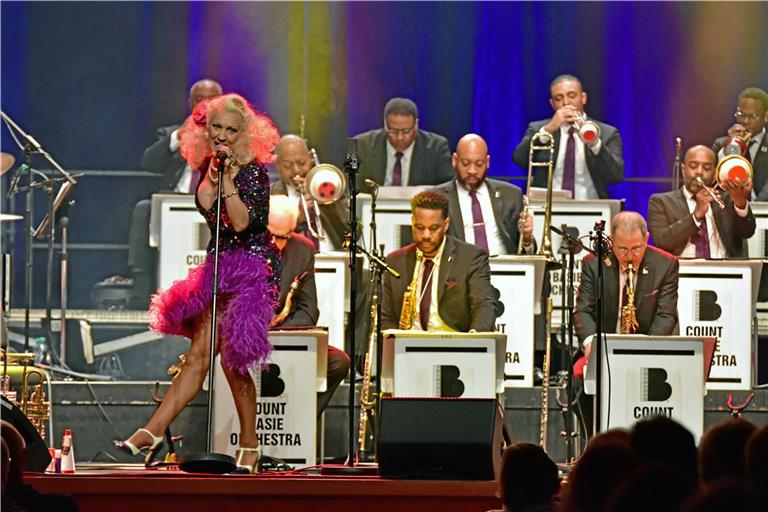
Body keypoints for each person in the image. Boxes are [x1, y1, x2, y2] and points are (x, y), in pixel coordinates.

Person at [114, 93, 281, 474]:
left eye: (231, 130)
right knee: (198, 357)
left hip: (253, 268)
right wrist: (217, 173)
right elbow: (206, 204)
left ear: (245, 134)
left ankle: (250, 446)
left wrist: (229, 180)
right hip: (220, 265)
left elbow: (241, 223)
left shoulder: (254, 172)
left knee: (234, 362)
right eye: (216, 127)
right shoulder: (211, 165)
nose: (221, 135)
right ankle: (153, 431)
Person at [572, 211, 679, 436]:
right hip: (604, 350)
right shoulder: (593, 263)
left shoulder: (666, 264)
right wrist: (591, 344)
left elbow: (666, 316)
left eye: (636, 248)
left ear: (646, 239)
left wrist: (644, 350)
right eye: (622, 249)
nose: (630, 256)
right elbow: (582, 310)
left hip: (649, 348)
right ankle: (593, 441)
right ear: (611, 241)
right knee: (578, 383)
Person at [125, 79, 223, 307]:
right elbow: (149, 162)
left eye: (211, 100)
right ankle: (140, 290)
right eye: (199, 100)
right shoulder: (171, 134)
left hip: (216, 201)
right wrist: (180, 137)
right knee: (144, 209)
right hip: (176, 199)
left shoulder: (232, 135)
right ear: (190, 103)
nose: (205, 105)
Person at [268, 195, 351, 415]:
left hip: (284, 335)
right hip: (245, 338)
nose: (275, 243)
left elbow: (309, 310)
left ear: (293, 229)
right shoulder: (241, 245)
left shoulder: (303, 249)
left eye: (283, 237)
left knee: (339, 362)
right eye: (270, 235)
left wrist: (278, 332)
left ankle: (301, 419)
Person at [381, 190, 503, 332]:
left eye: (433, 228)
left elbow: (484, 304)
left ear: (446, 224)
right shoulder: (395, 261)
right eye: (420, 228)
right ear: (412, 221)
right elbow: (386, 317)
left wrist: (474, 340)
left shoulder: (470, 258)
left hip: (453, 341)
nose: (426, 235)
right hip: (406, 342)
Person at [513, 74, 624, 200]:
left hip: (591, 205)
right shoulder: (538, 128)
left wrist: (594, 143)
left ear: (583, 98)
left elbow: (616, 176)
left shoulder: (606, 132)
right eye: (558, 98)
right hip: (549, 206)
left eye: (572, 96)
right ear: (552, 104)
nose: (566, 102)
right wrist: (547, 130)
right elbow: (519, 159)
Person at [434, 133, 534, 255]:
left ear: (487, 162)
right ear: (454, 160)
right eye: (465, 163)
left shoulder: (511, 195)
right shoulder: (437, 198)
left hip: (504, 265)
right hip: (459, 265)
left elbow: (525, 252)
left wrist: (527, 239)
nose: (472, 170)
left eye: (479, 164)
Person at [648, 145, 755, 258]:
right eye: (693, 166)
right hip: (681, 267)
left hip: (724, 267)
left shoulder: (727, 200)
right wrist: (697, 215)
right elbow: (661, 241)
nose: (699, 172)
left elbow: (747, 232)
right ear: (683, 170)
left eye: (707, 168)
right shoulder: (661, 202)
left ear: (714, 174)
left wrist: (740, 202)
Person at [352, 97, 454, 187]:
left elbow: (447, 188)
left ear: (416, 125)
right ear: (385, 125)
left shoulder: (437, 147)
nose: (400, 137)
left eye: (406, 131)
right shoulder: (361, 145)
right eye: (393, 131)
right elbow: (349, 183)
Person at [271, 134, 347, 251]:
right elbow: (268, 242)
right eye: (287, 165)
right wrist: (299, 216)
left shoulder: (329, 187)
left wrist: (325, 200)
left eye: (301, 162)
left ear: (311, 158)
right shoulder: (270, 195)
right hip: (294, 261)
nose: (296, 170)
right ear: (277, 165)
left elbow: (354, 233)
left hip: (334, 257)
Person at [712, 87, 768, 199]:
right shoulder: (721, 144)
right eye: (741, 114)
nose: (745, 121)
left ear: (766, 116)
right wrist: (731, 148)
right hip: (728, 207)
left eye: (752, 117)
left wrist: (755, 206)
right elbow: (713, 181)